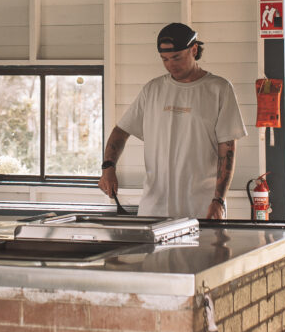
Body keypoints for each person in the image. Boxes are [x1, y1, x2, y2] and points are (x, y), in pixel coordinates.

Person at [98, 22, 247, 220]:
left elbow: (227, 150)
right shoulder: (152, 90)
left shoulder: (219, 89)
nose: (171, 64)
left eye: (176, 57)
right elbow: (121, 131)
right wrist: (108, 167)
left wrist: (218, 200)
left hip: (202, 209)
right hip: (153, 210)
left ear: (194, 50)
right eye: (165, 59)